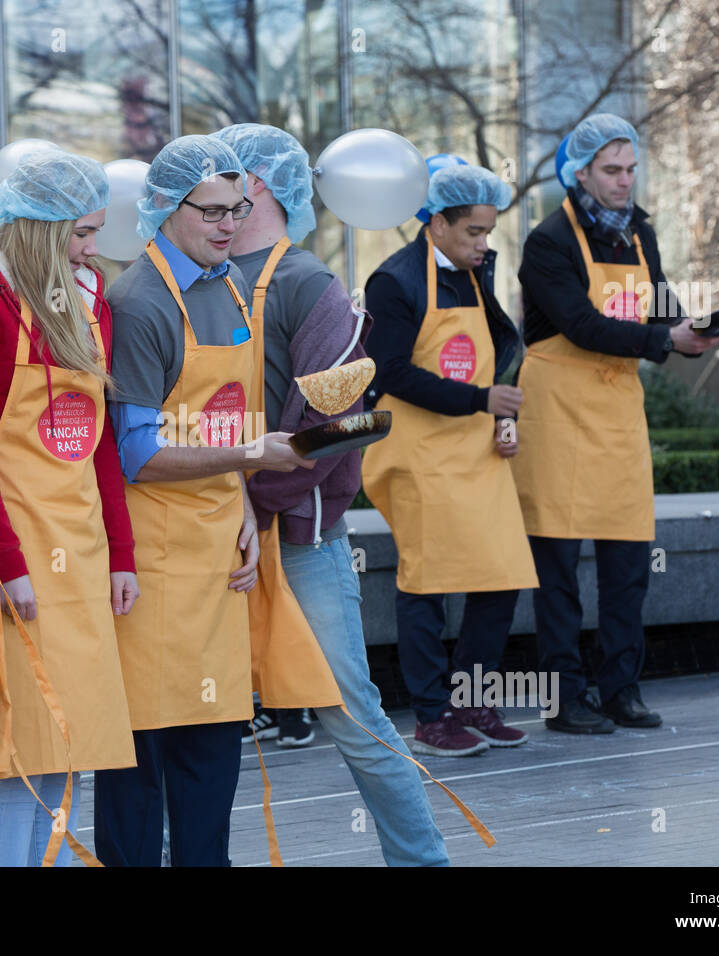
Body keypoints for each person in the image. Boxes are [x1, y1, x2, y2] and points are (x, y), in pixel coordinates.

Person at [214, 122, 449, 864]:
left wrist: (252, 507)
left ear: (254, 185)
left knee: (352, 714)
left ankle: (423, 861)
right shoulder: (194, 277)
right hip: (205, 534)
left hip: (299, 540)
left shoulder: (306, 284)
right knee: (194, 713)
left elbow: (336, 426)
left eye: (223, 180)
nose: (207, 199)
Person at [94, 135, 316, 866]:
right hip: (154, 565)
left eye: (239, 209)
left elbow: (226, 415)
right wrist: (251, 459)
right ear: (164, 208)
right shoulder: (140, 302)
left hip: (220, 556)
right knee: (141, 751)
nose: (229, 225)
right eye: (212, 211)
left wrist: (245, 506)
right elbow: (138, 455)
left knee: (214, 746)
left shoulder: (226, 286)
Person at [0, 149, 139, 866]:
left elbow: (102, 440)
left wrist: (120, 550)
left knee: (68, 743)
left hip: (79, 550)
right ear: (37, 228)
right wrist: (9, 565)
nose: (93, 249)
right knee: (23, 752)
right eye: (82, 233)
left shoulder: (86, 293)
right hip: (16, 552)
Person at [511, 114, 717, 734]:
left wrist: (701, 324)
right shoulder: (549, 241)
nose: (625, 181)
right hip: (557, 416)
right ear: (579, 172)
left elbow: (657, 301)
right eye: (612, 170)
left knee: (628, 563)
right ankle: (566, 698)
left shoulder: (638, 234)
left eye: (631, 169)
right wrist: (664, 339)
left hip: (619, 413)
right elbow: (581, 325)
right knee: (558, 568)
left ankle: (622, 688)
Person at [362, 156, 539, 757]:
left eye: (489, 232)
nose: (484, 244)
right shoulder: (394, 281)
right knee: (427, 582)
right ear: (436, 223)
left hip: (474, 448)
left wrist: (500, 415)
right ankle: (432, 715)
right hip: (415, 452)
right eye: (474, 232)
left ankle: (474, 702)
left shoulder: (473, 272)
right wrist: (479, 398)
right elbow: (386, 373)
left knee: (501, 574)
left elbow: (490, 358)